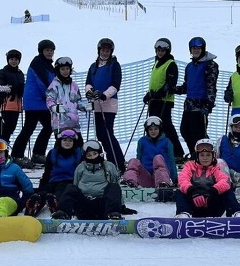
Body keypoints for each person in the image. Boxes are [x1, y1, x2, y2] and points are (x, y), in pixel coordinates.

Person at [51, 140, 124, 220]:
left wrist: (122, 206)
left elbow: (116, 187)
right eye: (89, 155)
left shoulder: (109, 166)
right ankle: (62, 213)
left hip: (103, 207)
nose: (92, 157)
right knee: (71, 187)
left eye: (95, 154)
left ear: (100, 153)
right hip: (84, 207)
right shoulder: (80, 167)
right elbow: (75, 186)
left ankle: (113, 214)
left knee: (113, 186)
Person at [175, 139, 240, 219]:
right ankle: (183, 214)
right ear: (197, 156)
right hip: (194, 206)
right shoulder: (189, 166)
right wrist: (192, 191)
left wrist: (213, 191)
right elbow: (182, 179)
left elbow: (224, 181)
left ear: (213, 156)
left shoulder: (216, 168)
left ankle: (236, 213)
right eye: (202, 155)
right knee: (180, 191)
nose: (205, 158)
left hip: (212, 206)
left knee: (227, 190)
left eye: (208, 155)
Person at [12, 39, 56, 166]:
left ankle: (37, 154)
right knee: (30, 128)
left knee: (48, 126)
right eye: (47, 50)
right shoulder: (38, 62)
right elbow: (41, 81)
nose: (49, 52)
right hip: (35, 101)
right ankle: (17, 155)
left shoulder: (48, 64)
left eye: (51, 50)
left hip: (41, 102)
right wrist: (49, 95)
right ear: (41, 51)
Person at [85, 37, 126, 171]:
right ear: (99, 51)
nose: (105, 53)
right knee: (101, 134)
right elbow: (88, 82)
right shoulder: (93, 66)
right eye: (103, 50)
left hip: (109, 104)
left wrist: (104, 95)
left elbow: (115, 84)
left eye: (107, 51)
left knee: (108, 133)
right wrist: (89, 91)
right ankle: (110, 159)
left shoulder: (114, 65)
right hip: (97, 105)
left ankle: (118, 162)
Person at [174, 36, 219, 159]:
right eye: (194, 48)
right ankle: (195, 154)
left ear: (203, 49)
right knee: (185, 130)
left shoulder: (210, 65)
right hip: (189, 104)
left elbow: (211, 85)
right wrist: (173, 89)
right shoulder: (189, 66)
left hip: (201, 104)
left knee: (199, 133)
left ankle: (207, 156)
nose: (196, 50)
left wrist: (209, 103)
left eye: (199, 48)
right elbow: (187, 86)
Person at [24, 129, 83, 216]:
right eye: (65, 140)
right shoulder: (53, 153)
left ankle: (55, 204)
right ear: (60, 141)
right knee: (44, 192)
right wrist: (42, 186)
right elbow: (47, 172)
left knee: (59, 191)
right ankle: (34, 205)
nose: (67, 143)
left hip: (69, 182)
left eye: (70, 141)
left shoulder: (78, 153)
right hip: (53, 181)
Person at [143, 37, 185, 159]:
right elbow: (156, 82)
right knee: (153, 126)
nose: (160, 52)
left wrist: (155, 94)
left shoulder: (170, 64)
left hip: (164, 101)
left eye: (163, 50)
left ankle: (177, 152)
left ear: (168, 51)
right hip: (154, 101)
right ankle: (156, 151)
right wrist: (149, 95)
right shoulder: (156, 63)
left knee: (165, 126)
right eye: (158, 50)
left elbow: (169, 85)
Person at [122, 116, 178, 188]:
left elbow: (171, 161)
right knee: (133, 161)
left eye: (156, 129)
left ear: (160, 129)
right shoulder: (142, 141)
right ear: (147, 131)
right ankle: (130, 182)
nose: (153, 131)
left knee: (158, 158)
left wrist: (175, 179)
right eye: (150, 129)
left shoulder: (166, 142)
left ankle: (163, 185)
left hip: (161, 176)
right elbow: (138, 159)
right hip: (146, 177)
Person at [46, 56, 90, 135]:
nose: (65, 71)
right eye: (62, 69)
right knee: (63, 146)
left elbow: (77, 102)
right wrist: (54, 107)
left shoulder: (74, 85)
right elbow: (49, 100)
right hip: (60, 124)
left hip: (74, 124)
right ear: (58, 70)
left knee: (78, 144)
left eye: (67, 69)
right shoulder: (54, 85)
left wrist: (86, 106)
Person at [0, 49, 25, 144]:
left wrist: (22, 89)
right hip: (6, 103)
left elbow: (22, 85)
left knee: (11, 128)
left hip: (17, 105)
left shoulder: (20, 73)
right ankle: (2, 147)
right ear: (8, 60)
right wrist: (8, 90)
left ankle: (5, 147)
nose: (14, 61)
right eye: (12, 59)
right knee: (6, 128)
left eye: (16, 60)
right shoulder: (3, 71)